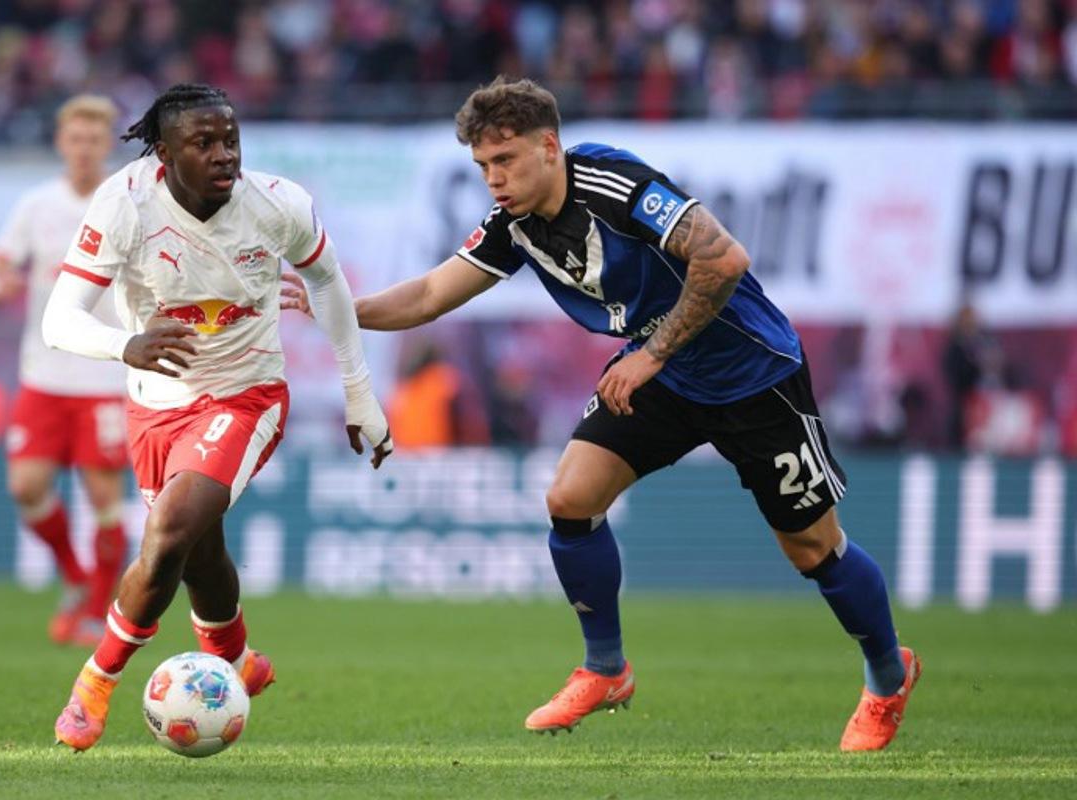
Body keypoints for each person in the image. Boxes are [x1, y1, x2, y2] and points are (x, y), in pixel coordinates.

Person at [281, 76, 920, 751]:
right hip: (665, 376)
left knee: (812, 548)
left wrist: (651, 355)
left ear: (549, 147)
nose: (494, 179)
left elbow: (723, 258)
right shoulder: (513, 225)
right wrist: (339, 309)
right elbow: (430, 294)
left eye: (505, 160)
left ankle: (888, 675)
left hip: (752, 375)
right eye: (483, 165)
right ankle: (606, 668)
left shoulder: (612, 184)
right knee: (571, 497)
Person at [40, 83, 393, 751]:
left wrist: (360, 393)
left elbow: (328, 281)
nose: (224, 154)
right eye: (203, 143)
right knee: (198, 550)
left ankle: (95, 681)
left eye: (230, 140)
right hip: (155, 405)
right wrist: (126, 344)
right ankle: (236, 657)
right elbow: (59, 319)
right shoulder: (124, 204)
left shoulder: (278, 205)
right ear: (164, 154)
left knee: (169, 530)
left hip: (246, 396)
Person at [0, 95, 129, 647]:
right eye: (75, 139)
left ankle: (96, 613)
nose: (84, 149)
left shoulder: (124, 203)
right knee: (26, 486)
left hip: (105, 375)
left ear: (107, 144)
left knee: (104, 498)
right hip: (43, 373)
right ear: (62, 142)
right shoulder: (36, 205)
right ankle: (75, 575)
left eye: (94, 140)